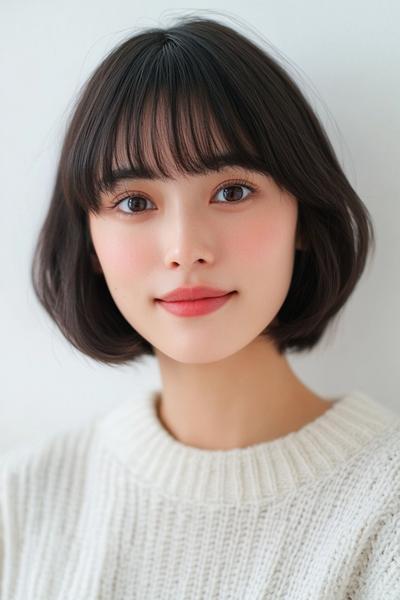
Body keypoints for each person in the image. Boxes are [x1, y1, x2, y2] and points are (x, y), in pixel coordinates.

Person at [1, 13, 399, 599]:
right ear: (89, 243)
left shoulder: (384, 510)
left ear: (303, 220)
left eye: (232, 191)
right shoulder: (23, 502)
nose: (185, 250)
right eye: (135, 202)